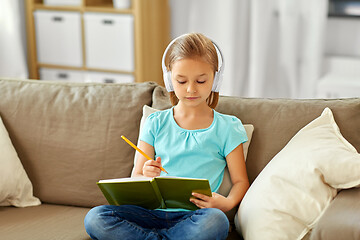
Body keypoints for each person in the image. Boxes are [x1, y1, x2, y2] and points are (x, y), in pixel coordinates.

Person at [84, 33, 250, 240]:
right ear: (169, 80)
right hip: (150, 214)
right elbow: (137, 176)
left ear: (215, 80)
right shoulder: (155, 123)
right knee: (96, 217)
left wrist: (225, 203)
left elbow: (241, 181)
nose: (191, 89)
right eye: (181, 81)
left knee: (216, 221)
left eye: (201, 80)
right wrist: (146, 174)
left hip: (195, 216)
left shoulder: (228, 127)